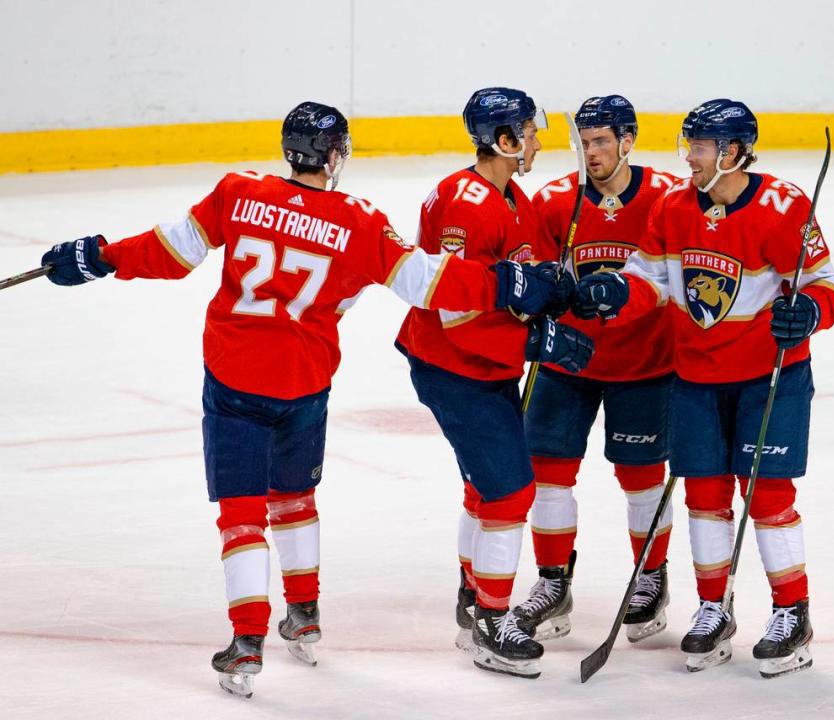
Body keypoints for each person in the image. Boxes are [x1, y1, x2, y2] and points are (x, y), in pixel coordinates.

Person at [38, 101, 567, 698]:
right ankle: (304, 613)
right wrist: (505, 281)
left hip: (235, 380)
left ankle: (246, 642)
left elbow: (171, 252)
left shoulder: (237, 193)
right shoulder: (361, 221)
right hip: (305, 383)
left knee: (241, 516)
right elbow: (426, 283)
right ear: (335, 155)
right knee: (294, 497)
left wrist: (101, 256)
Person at [572, 98, 834, 678]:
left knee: (767, 498)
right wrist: (620, 293)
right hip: (696, 377)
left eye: (697, 147)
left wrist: (811, 311)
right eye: (688, 146)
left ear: (731, 151)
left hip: (770, 377)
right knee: (705, 498)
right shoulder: (674, 206)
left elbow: (825, 281)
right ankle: (713, 608)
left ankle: (792, 614)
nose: (687, 158)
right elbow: (652, 278)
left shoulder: (780, 206)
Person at [395, 87, 594, 679]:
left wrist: (552, 293)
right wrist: (531, 340)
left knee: (489, 488)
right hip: (455, 366)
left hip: (485, 365)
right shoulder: (465, 204)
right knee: (511, 491)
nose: (538, 141)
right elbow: (456, 314)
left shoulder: (512, 196)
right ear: (505, 140)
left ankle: (472, 594)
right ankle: (491, 619)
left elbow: (520, 277)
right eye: (529, 132)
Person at [512, 95, 680, 645]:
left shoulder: (666, 197)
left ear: (628, 140)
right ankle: (553, 581)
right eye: (582, 142)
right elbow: (535, 274)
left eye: (601, 141)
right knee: (548, 472)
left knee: (639, 475)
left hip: (645, 361)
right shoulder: (556, 199)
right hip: (568, 361)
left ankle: (650, 576)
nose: (590, 152)